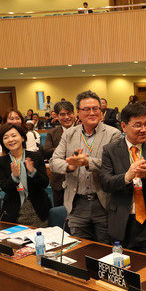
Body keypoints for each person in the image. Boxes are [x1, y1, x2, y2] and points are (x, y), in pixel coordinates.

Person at [100, 102, 146, 255]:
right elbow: (106, 183)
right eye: (137, 125)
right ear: (124, 126)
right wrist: (127, 177)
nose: (144, 129)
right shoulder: (111, 150)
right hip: (123, 223)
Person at [50, 90, 122, 241]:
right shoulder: (69, 134)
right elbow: (54, 162)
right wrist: (70, 166)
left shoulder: (113, 134)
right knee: (80, 250)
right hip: (77, 203)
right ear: (78, 113)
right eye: (87, 109)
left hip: (103, 202)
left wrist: (88, 162)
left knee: (105, 250)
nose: (92, 113)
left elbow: (116, 165)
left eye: (95, 108)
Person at [0, 123, 51, 227]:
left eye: (14, 135)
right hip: (14, 211)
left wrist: (33, 171)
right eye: (6, 137)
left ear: (22, 138)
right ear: (3, 142)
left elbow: (45, 183)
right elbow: (4, 188)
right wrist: (14, 176)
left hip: (37, 209)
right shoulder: (2, 161)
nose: (10, 140)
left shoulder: (35, 156)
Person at [44, 101, 75, 207]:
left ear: (74, 114)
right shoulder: (52, 133)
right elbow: (46, 152)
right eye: (62, 114)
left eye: (69, 113)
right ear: (57, 116)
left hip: (79, 180)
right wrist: (65, 148)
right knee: (60, 213)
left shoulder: (83, 131)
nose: (66, 117)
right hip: (58, 181)